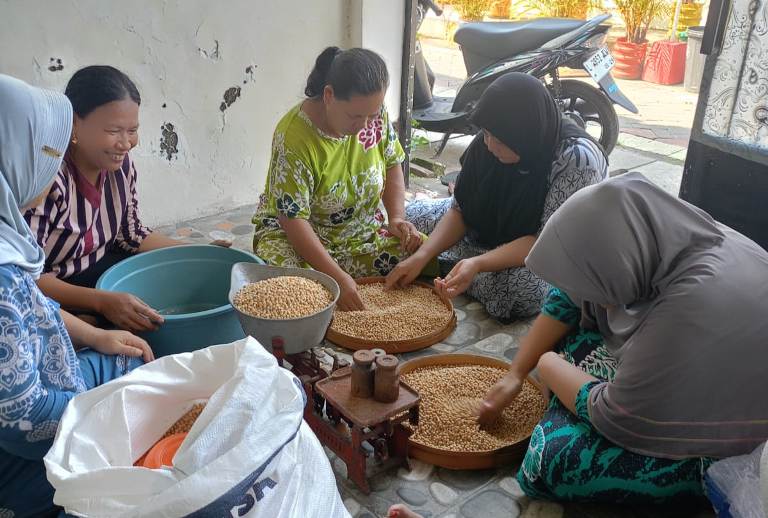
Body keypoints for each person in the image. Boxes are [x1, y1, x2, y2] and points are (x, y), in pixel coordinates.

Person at [389, 174, 768, 516]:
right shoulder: (665, 237)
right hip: (686, 358)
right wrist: (517, 373)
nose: (592, 299)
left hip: (728, 435)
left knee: (551, 460)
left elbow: (617, 415)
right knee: (579, 320)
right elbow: (568, 297)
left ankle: (697, 481)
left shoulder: (687, 306)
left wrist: (549, 365)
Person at [0, 74, 154, 518]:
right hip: (16, 443)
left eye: (132, 130)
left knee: (126, 352)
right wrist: (111, 410)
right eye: (44, 158)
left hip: (56, 328)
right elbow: (22, 417)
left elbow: (34, 303)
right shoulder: (7, 277)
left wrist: (98, 336)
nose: (125, 142)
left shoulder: (12, 245)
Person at [385, 72, 608, 322]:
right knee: (403, 224)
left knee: (522, 291)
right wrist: (422, 255)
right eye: (486, 134)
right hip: (485, 229)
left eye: (499, 140)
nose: (490, 145)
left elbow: (547, 241)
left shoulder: (576, 159)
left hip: (539, 249)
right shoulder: (491, 136)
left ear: (524, 135)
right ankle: (444, 263)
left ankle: (451, 267)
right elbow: (460, 210)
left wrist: (478, 264)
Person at [24, 66, 229, 333]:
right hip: (51, 285)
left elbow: (131, 235)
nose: (127, 143)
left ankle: (91, 323)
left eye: (132, 130)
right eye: (114, 130)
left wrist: (197, 252)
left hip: (98, 269)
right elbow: (26, 275)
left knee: (156, 298)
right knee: (98, 328)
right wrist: (101, 303)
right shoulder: (48, 179)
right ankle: (83, 326)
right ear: (74, 123)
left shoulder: (120, 167)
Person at [252, 47, 433, 311]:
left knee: (423, 255)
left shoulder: (373, 114)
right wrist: (337, 277)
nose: (364, 124)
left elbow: (392, 161)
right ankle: (332, 282)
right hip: (298, 238)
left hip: (359, 232)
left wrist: (396, 218)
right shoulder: (293, 138)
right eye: (355, 116)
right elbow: (293, 219)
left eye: (372, 115)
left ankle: (341, 280)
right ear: (328, 96)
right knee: (290, 290)